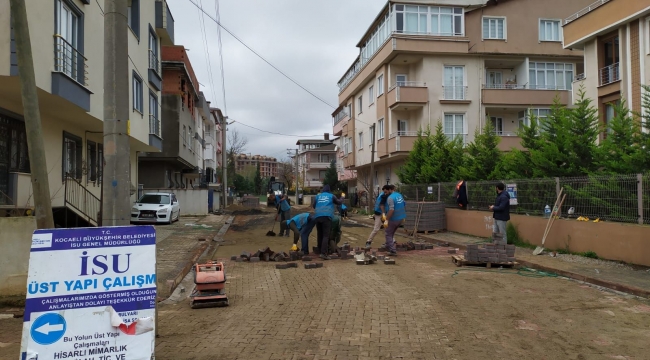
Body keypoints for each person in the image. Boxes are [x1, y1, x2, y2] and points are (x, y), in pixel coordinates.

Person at [311, 184, 342, 260]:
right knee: (325, 235)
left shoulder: (318, 196)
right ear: (329, 190)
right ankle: (323, 253)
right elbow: (339, 202)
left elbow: (314, 206)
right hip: (326, 216)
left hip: (317, 216)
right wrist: (342, 197)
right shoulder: (331, 196)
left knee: (320, 234)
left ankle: (319, 249)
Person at [384, 185, 406, 256]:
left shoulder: (390, 198)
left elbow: (391, 209)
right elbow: (404, 204)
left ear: (390, 190)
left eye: (386, 191)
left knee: (388, 234)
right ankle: (388, 246)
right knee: (391, 233)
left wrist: (386, 219)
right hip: (401, 218)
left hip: (394, 218)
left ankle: (392, 250)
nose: (385, 193)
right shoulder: (399, 195)